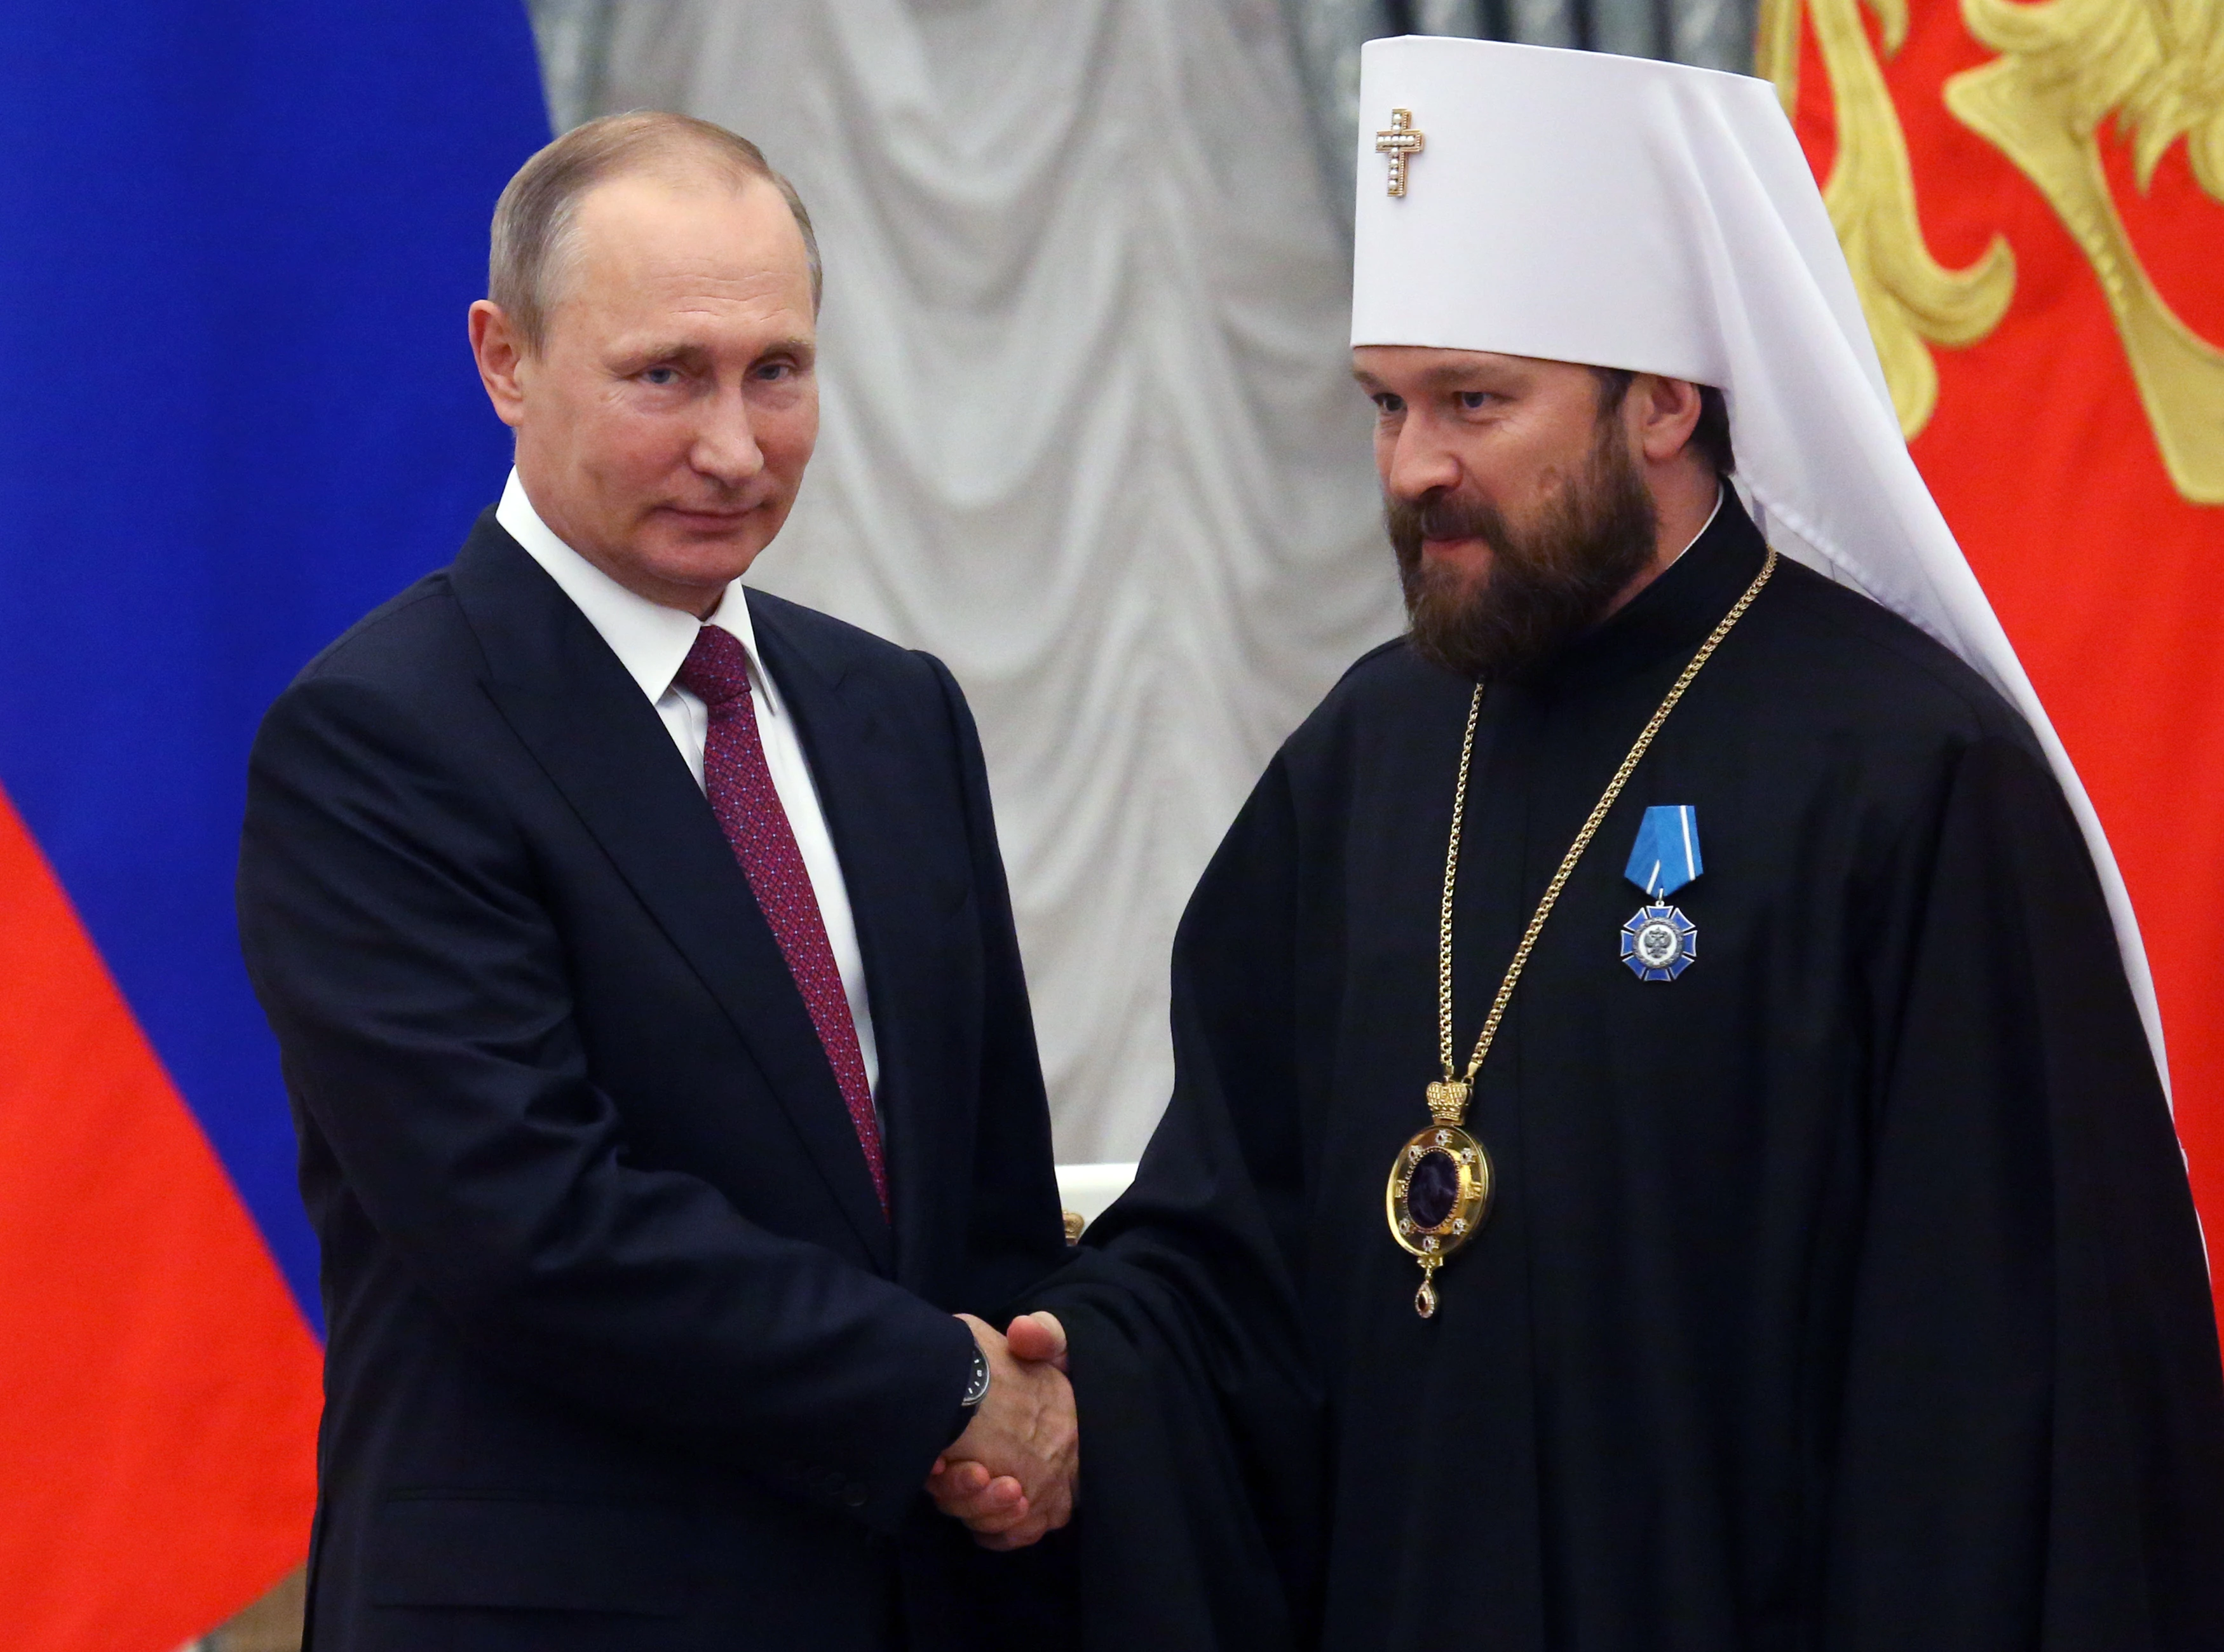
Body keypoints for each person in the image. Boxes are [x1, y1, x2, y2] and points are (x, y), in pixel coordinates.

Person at [930, 37, 2224, 1651]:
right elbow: (1231, 1240)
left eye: (1476, 401)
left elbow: (2001, 1399)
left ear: (1664, 400)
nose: (1413, 469)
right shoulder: (1369, 755)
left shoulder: (1909, 776)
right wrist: (1064, 1387)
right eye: (1388, 405)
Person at [236, 112, 1075, 1652]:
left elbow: (985, 1179)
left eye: (778, 369)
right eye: (663, 375)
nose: (734, 446)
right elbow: (532, 1228)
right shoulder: (378, 738)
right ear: (504, 360)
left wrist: (1042, 1388)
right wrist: (950, 1391)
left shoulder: (896, 712)